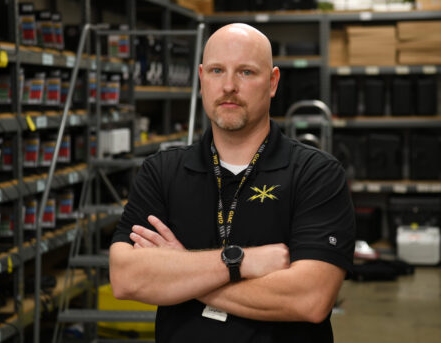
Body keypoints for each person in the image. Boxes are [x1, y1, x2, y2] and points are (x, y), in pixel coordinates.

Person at [110, 23, 355, 342]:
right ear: (201, 79)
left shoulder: (316, 173)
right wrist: (241, 261)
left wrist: (180, 272)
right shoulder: (161, 172)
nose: (228, 86)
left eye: (246, 72)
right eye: (216, 70)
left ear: (272, 82)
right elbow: (126, 279)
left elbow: (310, 299)